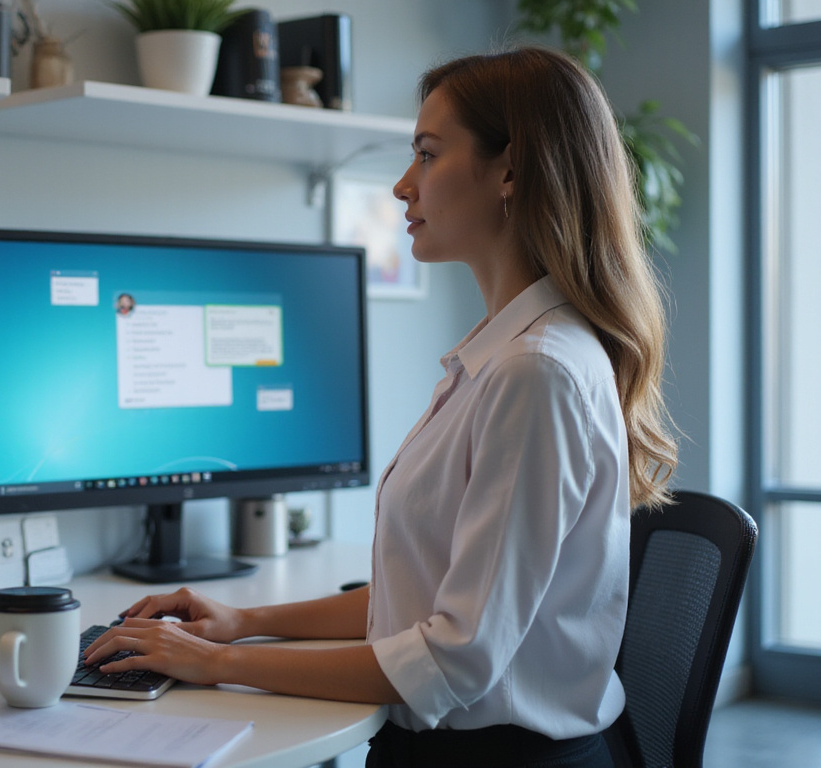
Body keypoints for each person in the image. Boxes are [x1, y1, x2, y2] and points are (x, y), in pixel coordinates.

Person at [83, 45, 678, 768]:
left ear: (511, 171)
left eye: (427, 156)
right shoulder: (501, 358)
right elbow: (419, 600)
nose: (402, 186)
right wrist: (239, 623)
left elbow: (455, 659)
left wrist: (217, 664)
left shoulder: (535, 373)